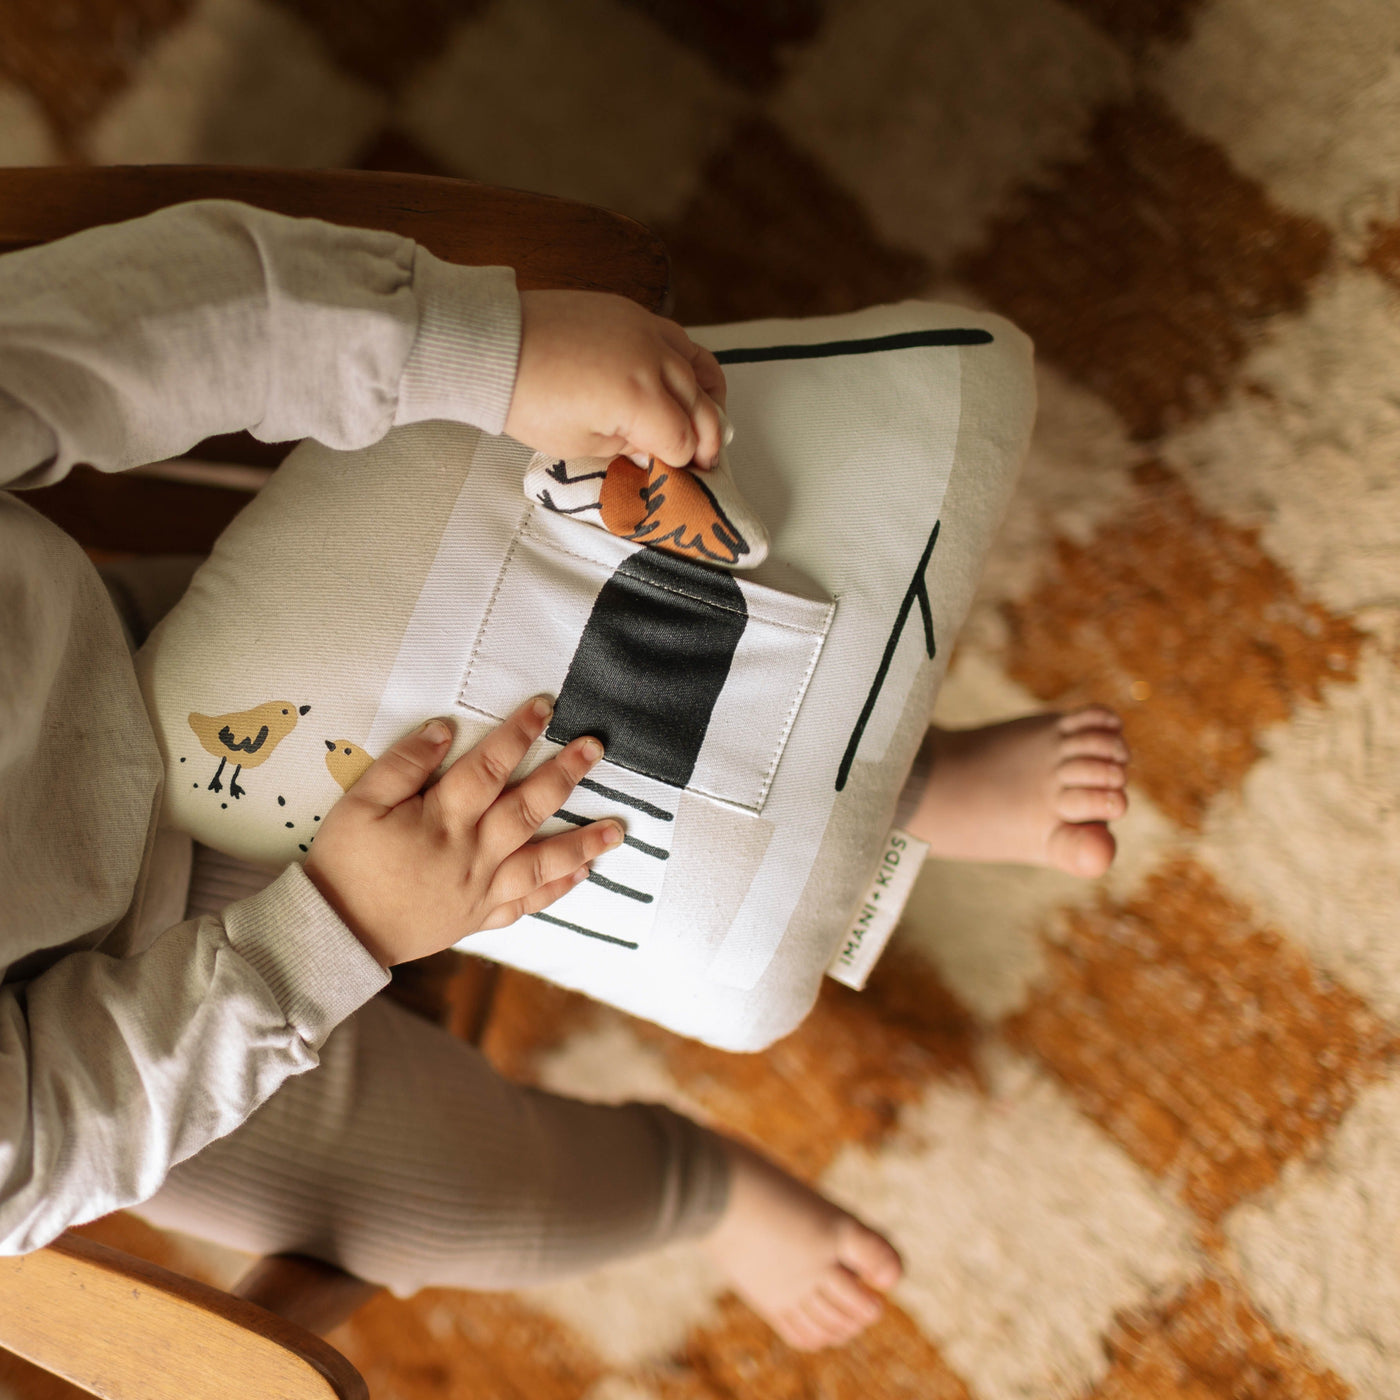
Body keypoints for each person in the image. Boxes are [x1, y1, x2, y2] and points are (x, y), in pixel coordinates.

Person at [0, 199, 1126, 1352]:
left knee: (578, 690)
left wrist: (480, 349)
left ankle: (897, 789)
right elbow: (60, 1128)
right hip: (117, 1013)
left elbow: (99, 330)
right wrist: (332, 929)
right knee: (446, 1199)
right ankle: (698, 1185)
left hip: (128, 673)